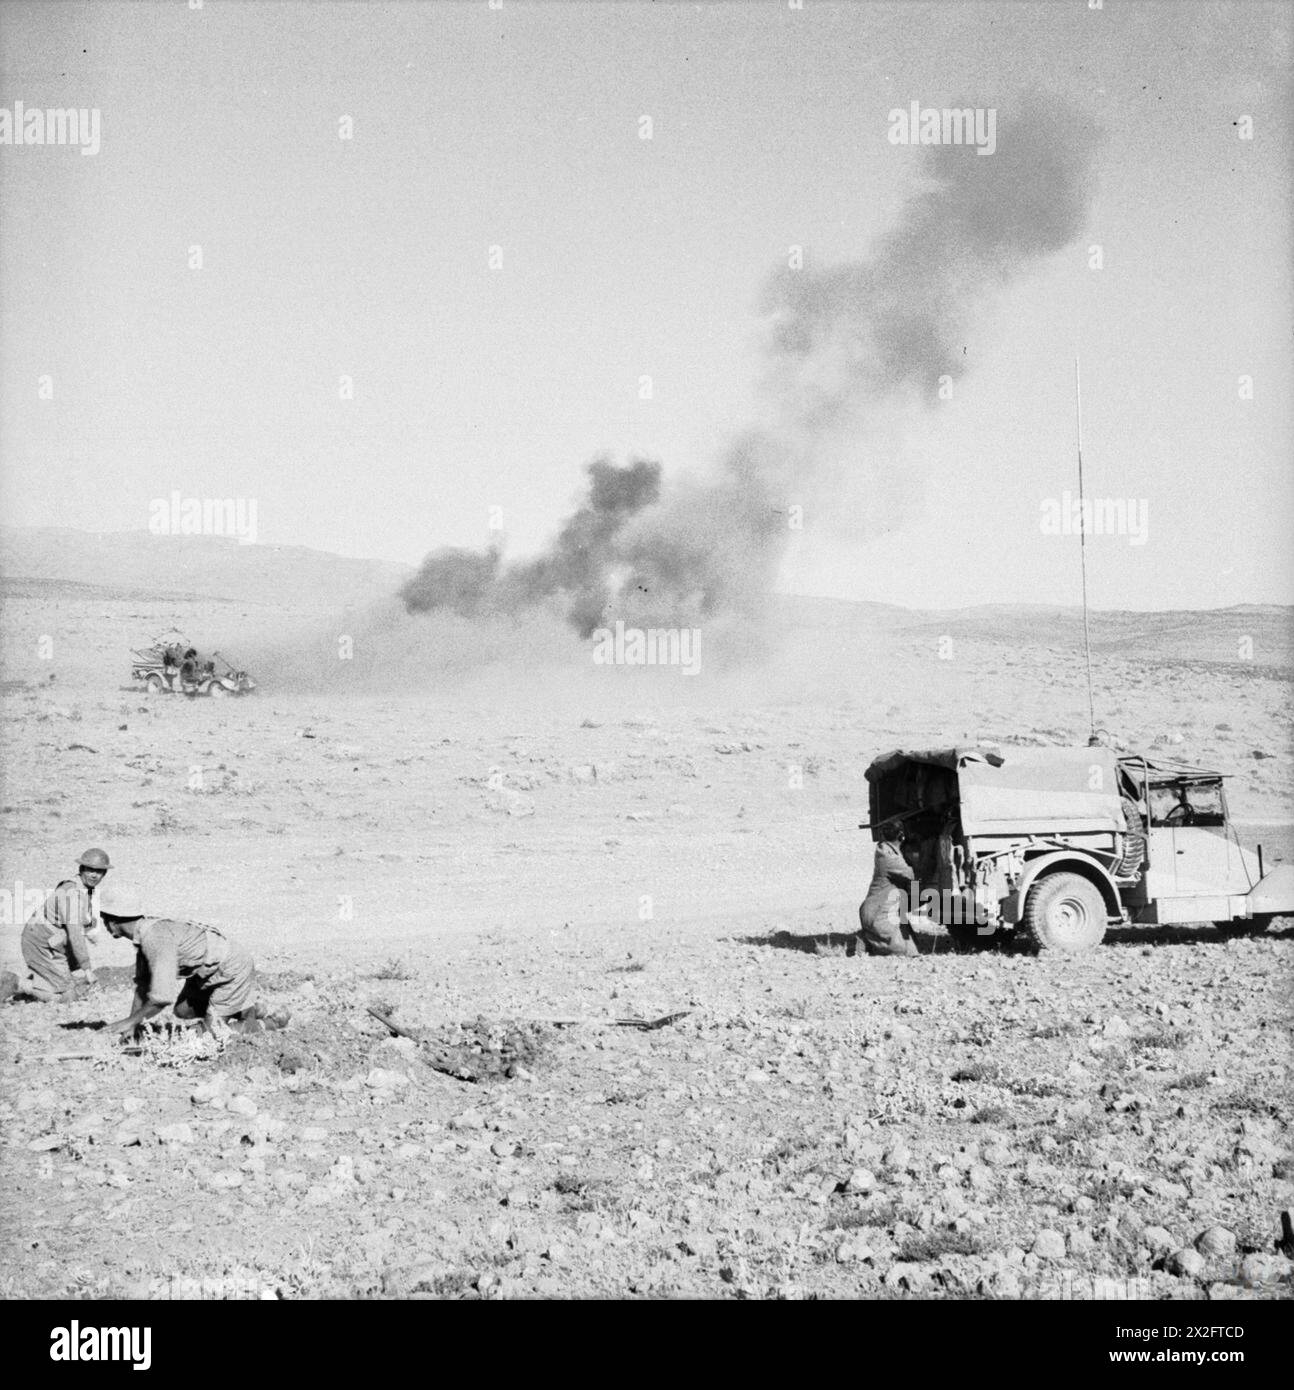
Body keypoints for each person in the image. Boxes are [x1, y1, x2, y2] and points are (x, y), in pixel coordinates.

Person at [97, 884, 288, 1036]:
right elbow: (143, 987)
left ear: (111, 922)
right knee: (183, 1011)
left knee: (209, 1034)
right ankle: (246, 1010)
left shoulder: (154, 938)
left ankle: (269, 1023)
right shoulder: (144, 934)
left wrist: (129, 1022)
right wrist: (132, 1027)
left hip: (231, 967)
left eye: (104, 918)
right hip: (207, 971)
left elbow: (161, 998)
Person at [9, 848, 111, 1002]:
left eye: (99, 871)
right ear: (81, 869)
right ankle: (19, 984)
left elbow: (81, 916)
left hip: (49, 937)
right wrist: (87, 969)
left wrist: (89, 930)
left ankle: (45, 981)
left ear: (105, 873)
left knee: (67, 978)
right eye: (90, 869)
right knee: (68, 998)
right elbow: (75, 934)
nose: (94, 875)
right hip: (40, 941)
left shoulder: (81, 888)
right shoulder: (72, 894)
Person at [857, 820, 921, 958]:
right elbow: (911, 875)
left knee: (914, 948)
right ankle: (867, 940)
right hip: (878, 914)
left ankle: (872, 938)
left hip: (885, 910)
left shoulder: (886, 849)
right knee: (904, 952)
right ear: (901, 836)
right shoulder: (888, 856)